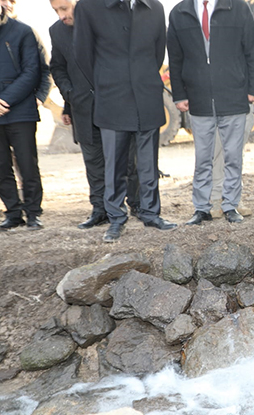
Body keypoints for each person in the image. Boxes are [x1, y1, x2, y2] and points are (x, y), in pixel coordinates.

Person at [74, 0, 177, 242]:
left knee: (149, 163)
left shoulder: (155, 7)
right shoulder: (89, 7)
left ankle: (151, 213)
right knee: (114, 165)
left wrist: (141, 78)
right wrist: (108, 81)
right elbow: (83, 55)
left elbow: (157, 52)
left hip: (147, 96)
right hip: (112, 98)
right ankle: (116, 218)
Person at [167, 0, 254, 225]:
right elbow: (175, 58)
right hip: (199, 100)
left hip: (235, 97)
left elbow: (253, 52)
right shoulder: (179, 12)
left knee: (233, 157)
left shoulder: (239, 8)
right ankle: (202, 207)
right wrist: (179, 94)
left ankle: (230, 205)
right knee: (203, 159)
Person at [49, 0, 139, 229]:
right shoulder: (56, 31)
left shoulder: (106, 21)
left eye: (64, 8)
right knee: (94, 162)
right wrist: (70, 96)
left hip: (117, 104)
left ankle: (137, 205)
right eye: (56, 11)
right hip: (83, 108)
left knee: (128, 159)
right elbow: (58, 67)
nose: (61, 16)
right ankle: (100, 210)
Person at [0, 4, 43, 230]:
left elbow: (32, 71)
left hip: (21, 111)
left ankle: (33, 213)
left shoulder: (23, 31)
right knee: (0, 166)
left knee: (27, 164)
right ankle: (13, 213)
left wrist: (5, 100)